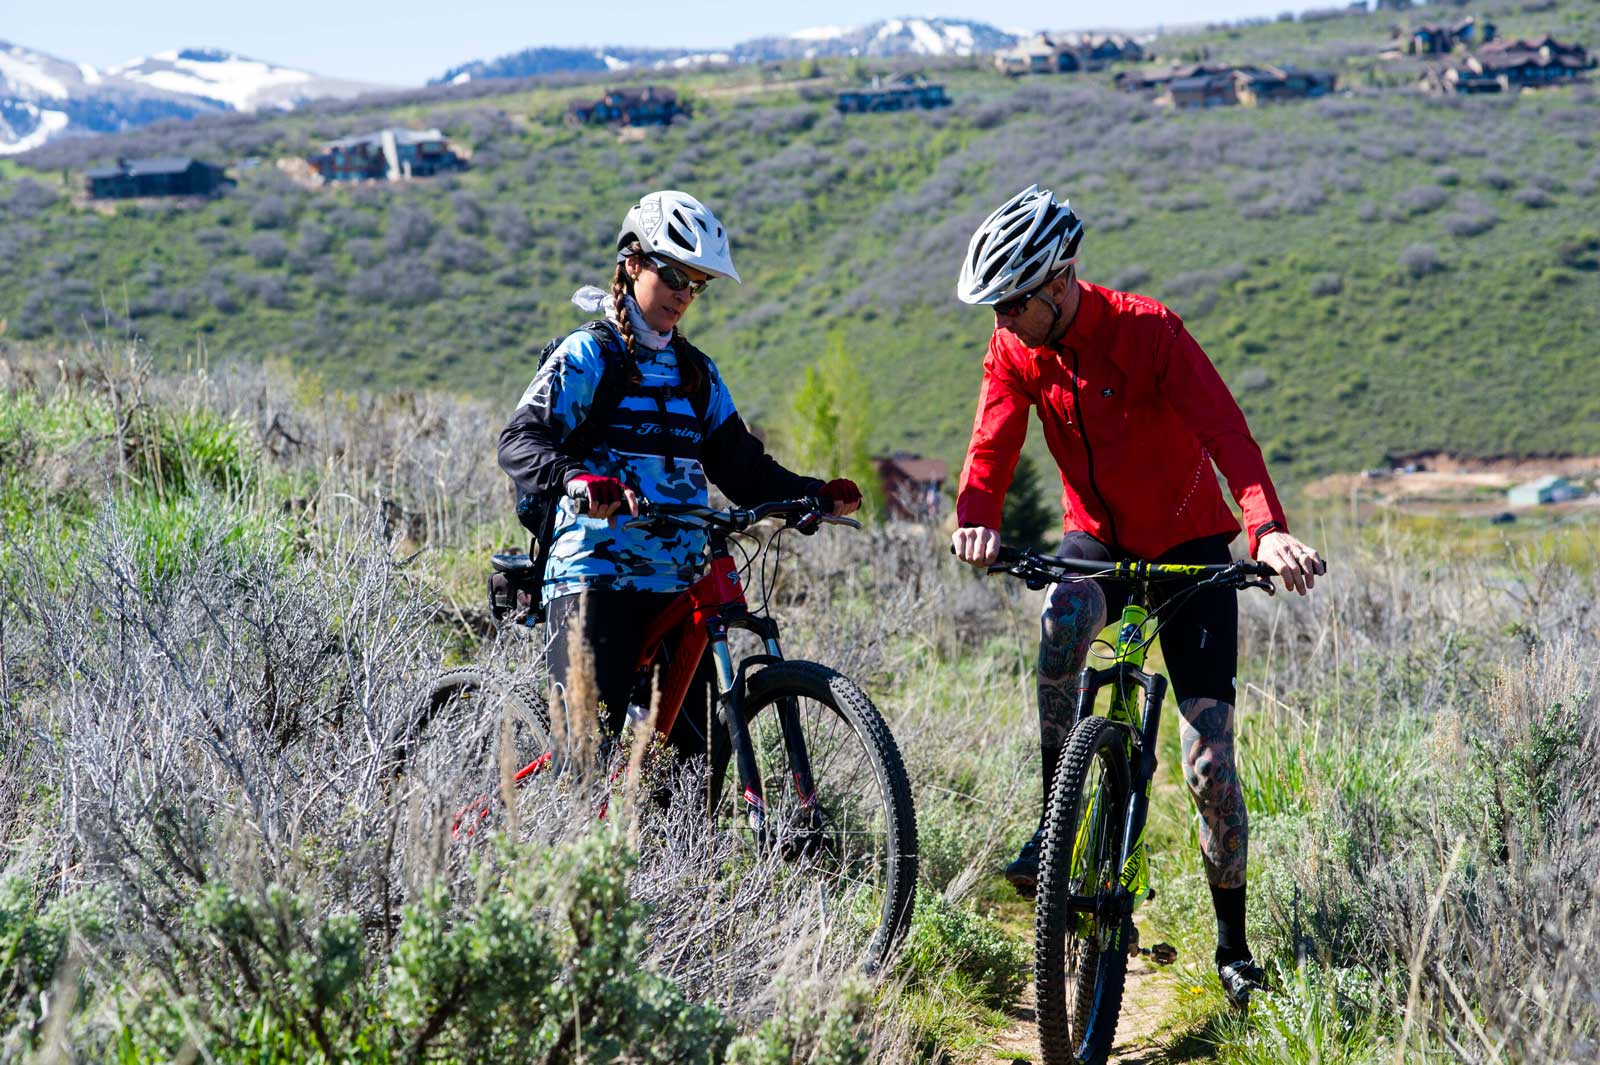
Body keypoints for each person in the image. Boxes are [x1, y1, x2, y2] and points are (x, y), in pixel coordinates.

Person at [949, 184, 1325, 1007]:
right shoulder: (1013, 349)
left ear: (1058, 283)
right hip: (1099, 541)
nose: (1003, 320)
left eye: (1014, 302)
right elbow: (991, 442)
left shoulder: (1150, 331)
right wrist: (975, 518)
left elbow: (1230, 434)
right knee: (1061, 621)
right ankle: (1057, 823)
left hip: (1190, 548)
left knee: (1208, 762)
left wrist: (1266, 531)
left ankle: (1233, 947)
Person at [498, 189, 860, 755]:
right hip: (596, 573)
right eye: (672, 276)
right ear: (632, 263)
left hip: (680, 582)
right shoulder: (589, 355)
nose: (684, 295)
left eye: (696, 284)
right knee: (585, 764)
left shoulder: (696, 373)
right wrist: (578, 480)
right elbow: (520, 441)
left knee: (684, 783)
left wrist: (814, 495)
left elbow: (744, 470)